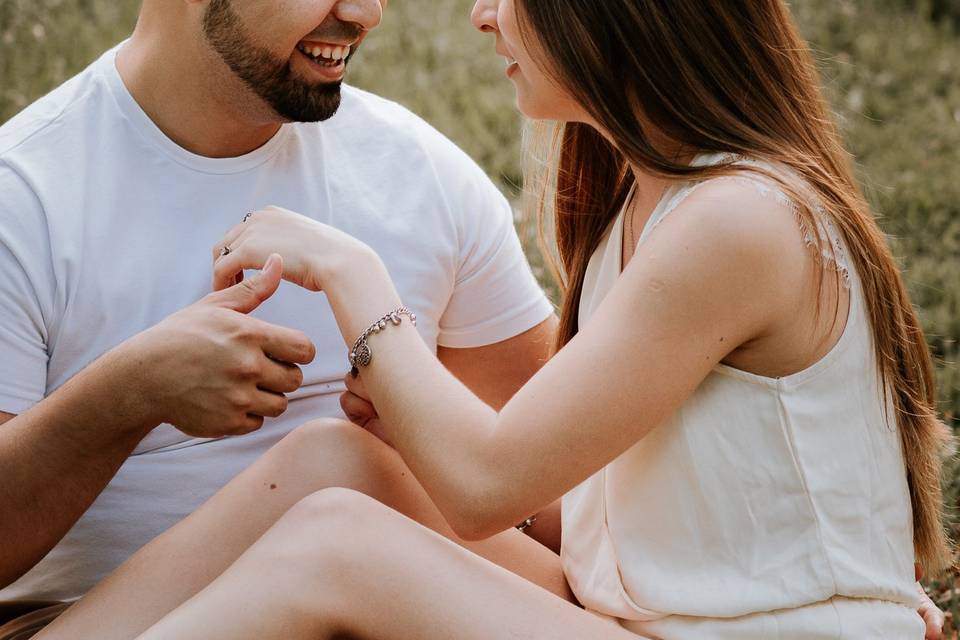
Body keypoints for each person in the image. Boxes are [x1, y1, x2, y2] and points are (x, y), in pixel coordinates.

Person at [25, 0, 952, 638]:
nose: (480, 14)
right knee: (334, 462)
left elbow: (485, 486)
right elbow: (574, 488)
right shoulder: (656, 207)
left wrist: (354, 274)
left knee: (338, 548)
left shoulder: (741, 222)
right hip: (642, 617)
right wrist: (415, 420)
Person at [0, 0, 558, 633]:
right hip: (111, 618)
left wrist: (421, 445)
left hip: (397, 610)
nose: (366, 13)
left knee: (336, 470)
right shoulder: (24, 199)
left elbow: (552, 500)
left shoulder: (422, 175)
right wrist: (130, 391)